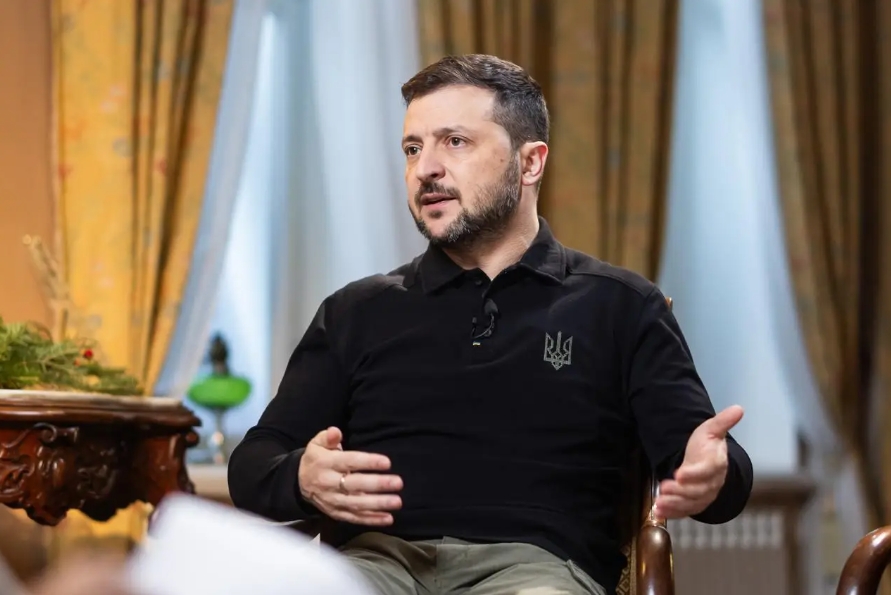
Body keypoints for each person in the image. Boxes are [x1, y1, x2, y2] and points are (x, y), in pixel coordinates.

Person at [228, 53, 753, 595]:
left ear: (530, 164)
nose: (426, 168)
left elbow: (715, 469)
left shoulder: (621, 305)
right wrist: (302, 477)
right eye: (413, 148)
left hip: (536, 570)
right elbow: (253, 464)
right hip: (375, 565)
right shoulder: (357, 310)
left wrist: (713, 472)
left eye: (455, 142)